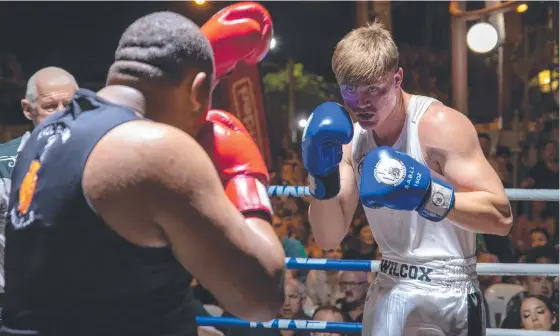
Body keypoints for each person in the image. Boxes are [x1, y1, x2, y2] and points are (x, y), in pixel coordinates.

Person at [2, 10, 286, 336]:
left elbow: (93, 291)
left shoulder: (42, 137)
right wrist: (244, 179)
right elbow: (262, 297)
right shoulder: (155, 151)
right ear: (198, 90)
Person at [302, 20, 512, 335]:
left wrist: (428, 194)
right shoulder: (347, 138)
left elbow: (501, 217)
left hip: (450, 289)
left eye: (373, 89)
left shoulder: (440, 126)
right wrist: (322, 175)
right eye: (350, 90)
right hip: (391, 284)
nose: (361, 103)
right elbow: (328, 236)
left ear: (397, 78)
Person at [0, 66, 78, 292]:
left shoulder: (94, 159)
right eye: (50, 107)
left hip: (76, 300)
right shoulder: (4, 163)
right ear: (27, 109)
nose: (61, 114)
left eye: (69, 105)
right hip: (12, 302)